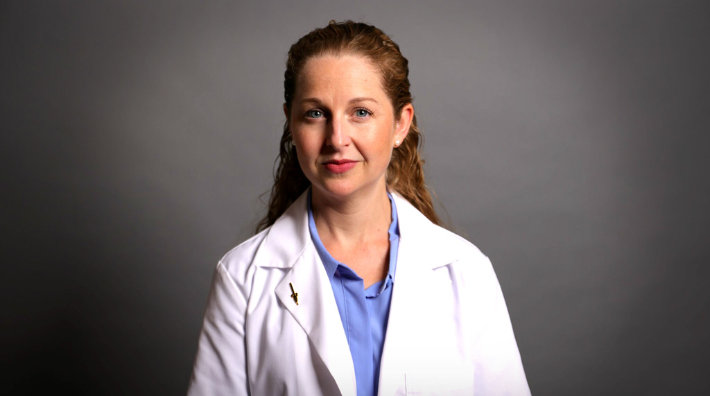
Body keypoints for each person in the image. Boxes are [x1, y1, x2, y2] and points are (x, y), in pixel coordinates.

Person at [188, 21, 530, 396]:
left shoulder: (466, 273)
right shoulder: (242, 279)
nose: (337, 139)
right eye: (316, 113)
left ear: (401, 124)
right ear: (291, 122)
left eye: (361, 113)